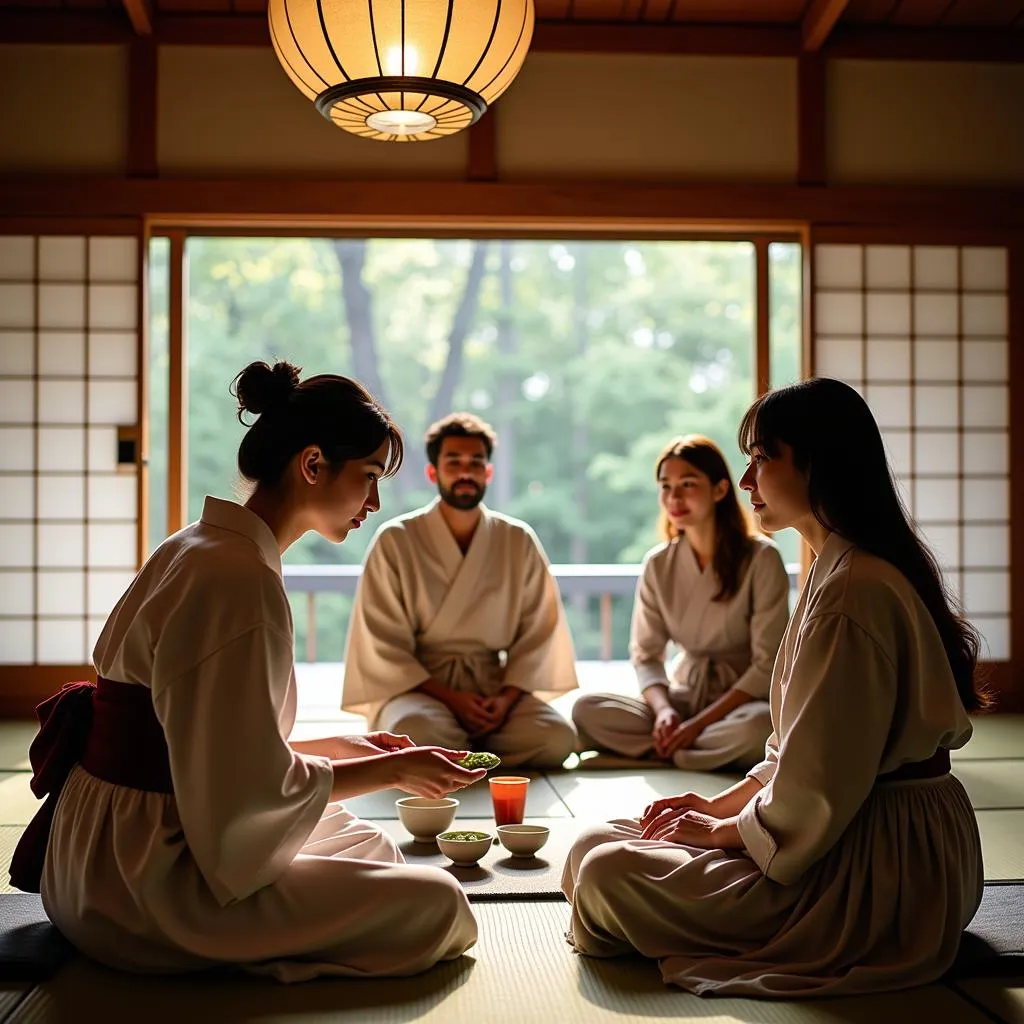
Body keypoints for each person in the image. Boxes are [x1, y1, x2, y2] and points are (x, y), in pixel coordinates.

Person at [14, 360, 485, 982]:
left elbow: (206, 740)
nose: (373, 502)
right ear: (312, 465)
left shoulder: (198, 544)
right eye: (369, 476)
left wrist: (343, 748)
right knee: (440, 906)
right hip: (144, 886)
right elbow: (240, 796)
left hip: (99, 853)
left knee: (369, 845)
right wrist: (390, 768)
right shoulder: (238, 580)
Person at [562, 378, 985, 998]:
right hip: (832, 829)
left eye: (762, 458)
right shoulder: (832, 571)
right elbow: (790, 753)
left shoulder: (851, 589)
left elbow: (814, 791)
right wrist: (713, 806)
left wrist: (715, 832)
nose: (747, 481)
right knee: (590, 846)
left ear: (819, 464)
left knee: (604, 874)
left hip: (877, 861)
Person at [342, 412, 579, 769]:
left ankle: (459, 753)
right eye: (454, 461)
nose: (466, 472)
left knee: (557, 738)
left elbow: (538, 633)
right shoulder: (396, 539)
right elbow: (383, 642)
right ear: (434, 472)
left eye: (476, 462)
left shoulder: (517, 539)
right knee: (415, 730)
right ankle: (466, 748)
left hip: (494, 689)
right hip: (422, 691)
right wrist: (453, 700)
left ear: (488, 472)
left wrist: (506, 699)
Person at [572, 435, 789, 771]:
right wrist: (664, 712)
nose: (674, 497)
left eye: (688, 484)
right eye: (665, 486)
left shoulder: (762, 559)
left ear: (719, 490)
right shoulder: (659, 563)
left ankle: (667, 751)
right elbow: (646, 655)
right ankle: (687, 751)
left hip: (740, 703)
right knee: (586, 709)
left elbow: (767, 666)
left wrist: (697, 727)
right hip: (684, 696)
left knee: (759, 729)